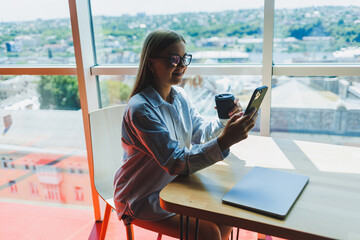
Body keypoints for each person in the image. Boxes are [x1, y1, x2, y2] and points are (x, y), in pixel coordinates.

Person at [114, 29, 258, 240]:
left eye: (184, 58)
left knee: (227, 216)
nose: (181, 65)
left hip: (175, 183)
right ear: (152, 63)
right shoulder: (141, 109)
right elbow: (176, 162)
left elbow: (200, 132)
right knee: (209, 232)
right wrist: (225, 140)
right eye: (173, 59)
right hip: (142, 195)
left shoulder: (180, 96)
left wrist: (226, 121)